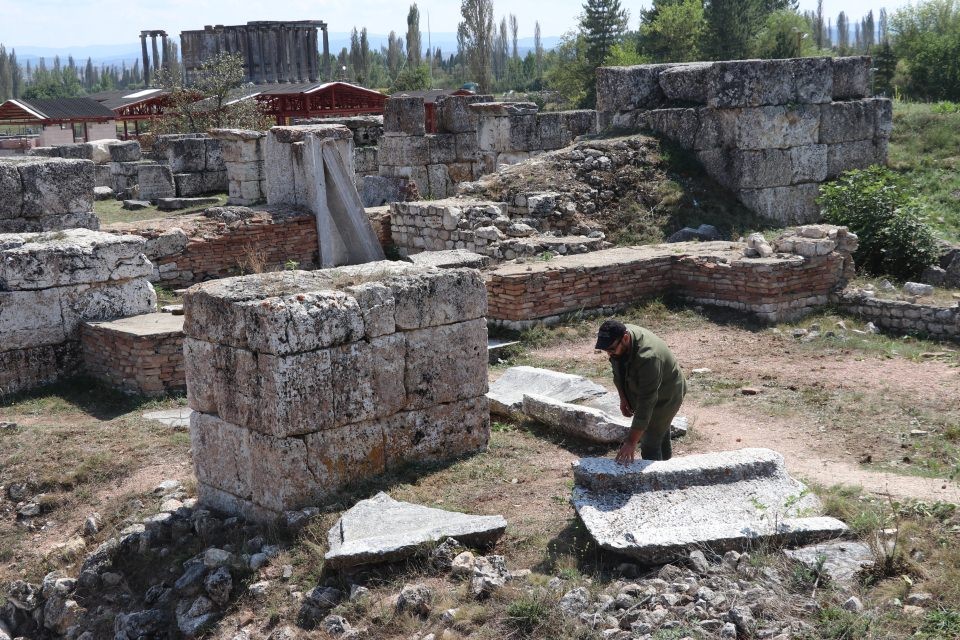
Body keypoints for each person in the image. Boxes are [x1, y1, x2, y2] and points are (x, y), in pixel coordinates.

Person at [594, 319, 686, 464]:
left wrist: (631, 442)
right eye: (606, 350)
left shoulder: (648, 357)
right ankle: (668, 469)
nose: (609, 354)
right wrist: (623, 398)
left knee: (650, 442)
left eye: (611, 349)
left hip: (668, 393)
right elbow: (618, 373)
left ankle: (656, 481)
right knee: (659, 433)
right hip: (651, 387)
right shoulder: (619, 337)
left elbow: (646, 401)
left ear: (625, 338)